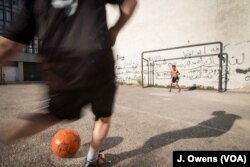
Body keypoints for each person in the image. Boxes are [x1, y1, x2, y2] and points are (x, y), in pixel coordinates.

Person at [0, 0, 137, 166]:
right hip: (97, 59)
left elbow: (7, 46)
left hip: (62, 68)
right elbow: (130, 4)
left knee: (51, 115)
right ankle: (92, 160)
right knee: (103, 117)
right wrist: (114, 31)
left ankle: (4, 135)